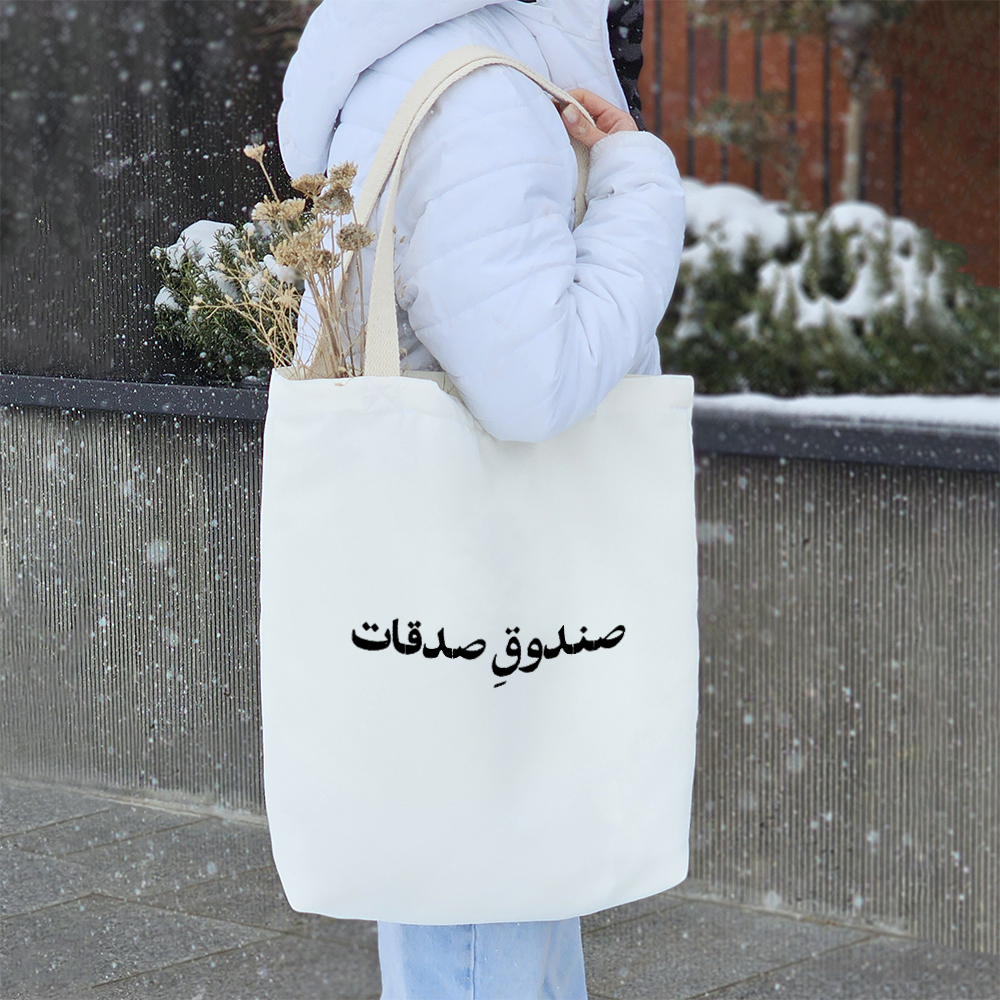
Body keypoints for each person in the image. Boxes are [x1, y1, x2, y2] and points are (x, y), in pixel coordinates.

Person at [277, 1, 685, 996]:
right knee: (483, 915)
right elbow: (533, 383)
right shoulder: (479, 95)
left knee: (484, 886)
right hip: (494, 619)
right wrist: (637, 185)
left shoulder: (428, 60)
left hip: (459, 616)